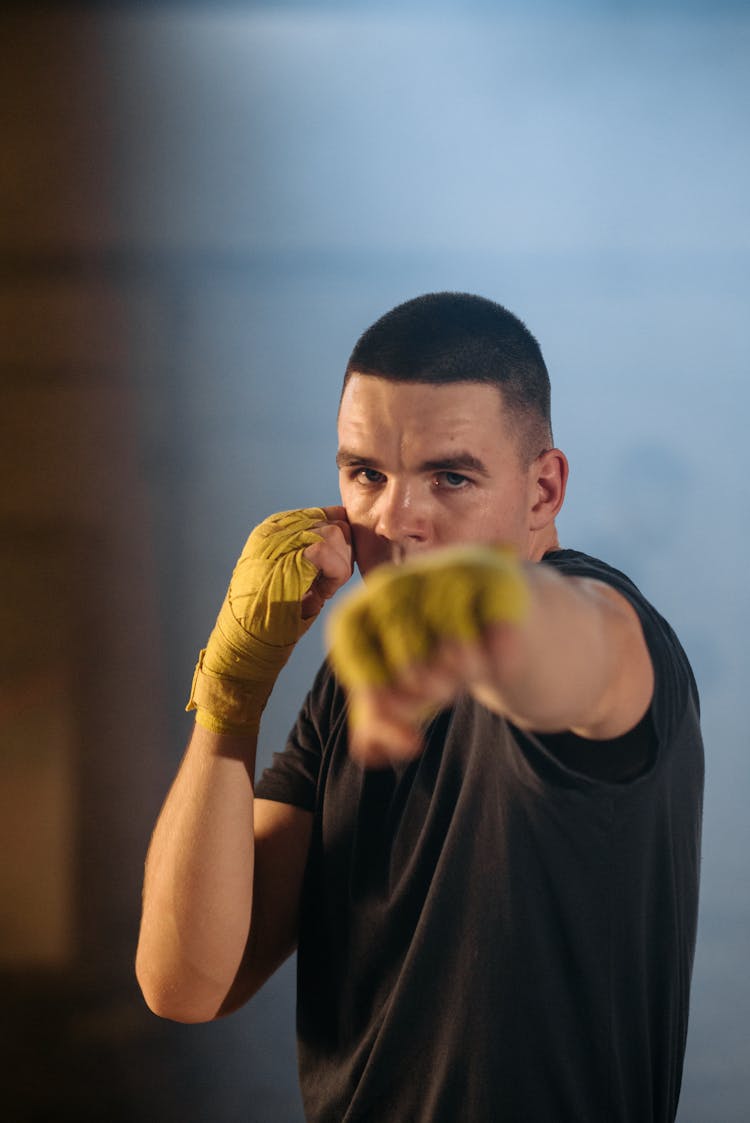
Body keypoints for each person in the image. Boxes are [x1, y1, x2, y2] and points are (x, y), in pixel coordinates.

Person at [136, 292, 703, 1122]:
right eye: (366, 473)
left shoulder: (605, 624)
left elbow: (584, 648)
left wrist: (486, 621)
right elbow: (184, 982)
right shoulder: (351, 681)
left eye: (451, 476)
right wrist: (232, 690)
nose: (397, 519)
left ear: (543, 490)